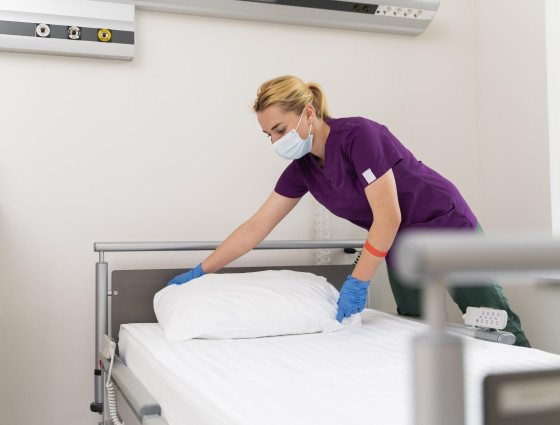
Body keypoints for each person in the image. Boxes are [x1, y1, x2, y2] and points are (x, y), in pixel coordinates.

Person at [168, 75, 530, 347]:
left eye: (280, 129)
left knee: (492, 319)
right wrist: (202, 270)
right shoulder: (301, 170)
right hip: (399, 243)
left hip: (444, 224)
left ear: (307, 112)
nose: (276, 141)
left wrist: (358, 282)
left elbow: (388, 216)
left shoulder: (359, 136)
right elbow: (256, 227)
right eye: (269, 135)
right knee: (414, 325)